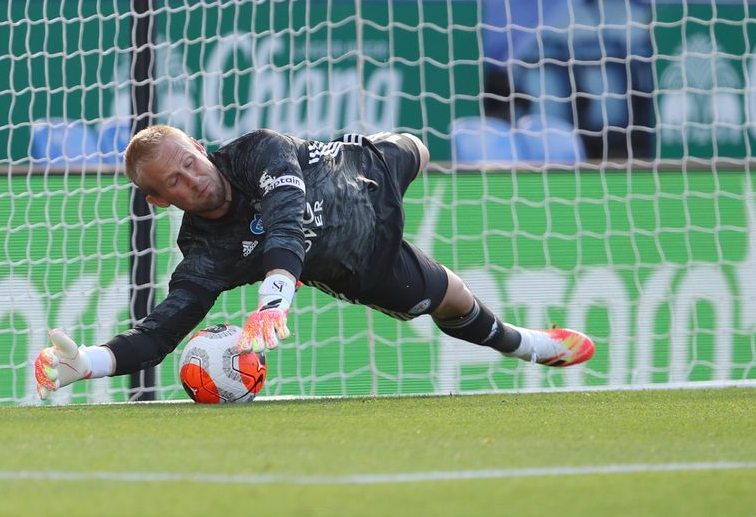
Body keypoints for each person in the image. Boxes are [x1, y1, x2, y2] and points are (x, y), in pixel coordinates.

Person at [34, 126, 595, 399]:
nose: (192, 179)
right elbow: (164, 328)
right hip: (360, 263)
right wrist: (91, 361)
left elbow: (285, 214)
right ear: (158, 200)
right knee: (448, 300)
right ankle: (528, 345)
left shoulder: (257, 149)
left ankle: (390, 145)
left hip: (361, 169)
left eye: (189, 162)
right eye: (173, 182)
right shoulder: (205, 251)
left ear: (201, 148)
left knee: (415, 146)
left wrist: (275, 293)